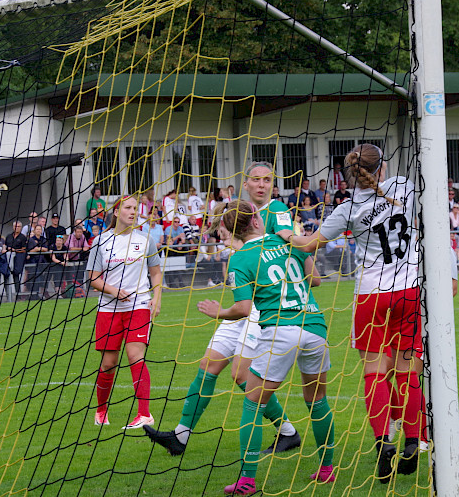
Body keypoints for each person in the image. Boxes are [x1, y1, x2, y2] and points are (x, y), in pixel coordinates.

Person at [144, 162, 302, 458]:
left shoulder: (277, 209)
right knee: (208, 365)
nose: (262, 185)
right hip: (242, 300)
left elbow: (284, 236)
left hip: (262, 308)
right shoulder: (236, 208)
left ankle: (287, 432)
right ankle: (181, 435)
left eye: (267, 180)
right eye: (256, 179)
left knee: (241, 375)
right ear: (246, 183)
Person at [291, 143, 424, 481]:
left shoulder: (348, 209)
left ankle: (383, 443)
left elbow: (309, 245)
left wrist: (284, 234)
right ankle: (413, 440)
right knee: (408, 370)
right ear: (381, 167)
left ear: (349, 173)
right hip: (409, 289)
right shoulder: (403, 187)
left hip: (372, 295)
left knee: (374, 371)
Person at [191, 201, 334, 495]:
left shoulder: (240, 258)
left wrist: (219, 311)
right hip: (314, 325)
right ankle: (327, 469)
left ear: (232, 230)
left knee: (253, 404)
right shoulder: (288, 240)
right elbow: (316, 280)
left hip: (280, 330)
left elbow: (244, 309)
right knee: (317, 401)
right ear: (256, 219)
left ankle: (247, 480)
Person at [87, 195, 162, 430]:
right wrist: (113, 291)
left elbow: (156, 273)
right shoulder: (101, 241)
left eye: (136, 209)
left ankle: (144, 414)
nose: (133, 212)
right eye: (128, 208)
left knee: (134, 356)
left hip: (139, 306)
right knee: (109, 362)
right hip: (108, 309)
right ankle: (101, 411)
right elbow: (92, 278)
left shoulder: (145, 240)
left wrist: (156, 300)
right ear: (116, 212)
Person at [26, 225, 49, 300]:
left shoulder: (44, 239)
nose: (39, 231)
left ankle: (39, 294)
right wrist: (37, 249)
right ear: (34, 230)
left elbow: (46, 249)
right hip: (33, 262)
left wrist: (38, 249)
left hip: (42, 261)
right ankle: (33, 295)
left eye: (40, 229)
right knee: (34, 279)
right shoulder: (31, 240)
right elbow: (30, 250)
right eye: (37, 229)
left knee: (41, 279)